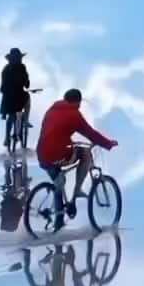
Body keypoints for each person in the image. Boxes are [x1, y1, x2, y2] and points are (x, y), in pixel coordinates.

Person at [36, 88, 117, 218]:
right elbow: (90, 133)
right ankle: (78, 189)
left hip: (41, 154)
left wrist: (69, 142)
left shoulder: (52, 109)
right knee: (85, 153)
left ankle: (59, 219)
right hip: (58, 153)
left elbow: (54, 132)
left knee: (58, 183)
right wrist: (108, 143)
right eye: (79, 104)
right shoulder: (74, 115)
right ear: (77, 102)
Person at [0, 48, 30, 146]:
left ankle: (7, 137)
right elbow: (26, 83)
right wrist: (26, 83)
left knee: (10, 115)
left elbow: (3, 86)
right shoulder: (21, 67)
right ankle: (25, 120)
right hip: (18, 96)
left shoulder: (5, 69)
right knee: (28, 97)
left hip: (7, 98)